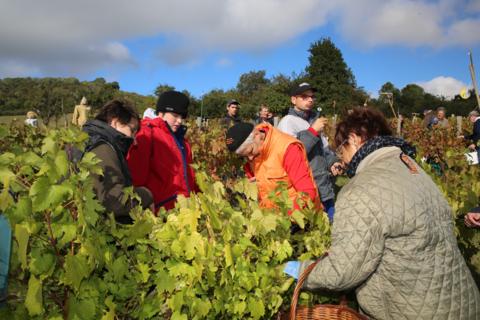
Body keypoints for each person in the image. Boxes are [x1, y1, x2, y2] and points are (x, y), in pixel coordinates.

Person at [283, 107, 480, 319]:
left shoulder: (360, 189)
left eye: (342, 149)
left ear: (355, 139)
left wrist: (294, 269)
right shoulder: (411, 167)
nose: (343, 159)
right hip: (462, 303)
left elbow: (341, 273)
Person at [277, 83, 342, 221]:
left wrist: (333, 163)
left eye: (312, 97)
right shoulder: (288, 122)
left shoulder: (314, 120)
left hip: (323, 184)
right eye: (304, 97)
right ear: (293, 100)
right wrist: (312, 131)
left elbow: (324, 149)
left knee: (331, 227)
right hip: (305, 188)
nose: (310, 100)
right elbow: (292, 156)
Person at [82, 100, 154, 224]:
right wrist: (146, 195)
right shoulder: (103, 149)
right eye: (131, 130)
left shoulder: (89, 140)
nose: (134, 140)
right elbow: (115, 201)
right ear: (114, 122)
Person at [226, 122, 321, 211]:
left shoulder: (288, 148)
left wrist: (285, 217)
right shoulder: (254, 152)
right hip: (272, 216)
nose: (250, 158)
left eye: (250, 151)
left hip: (300, 218)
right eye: (244, 156)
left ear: (257, 135)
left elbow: (307, 192)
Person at [127, 91, 198, 211]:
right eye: (175, 115)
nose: (180, 121)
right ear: (161, 113)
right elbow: (136, 178)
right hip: (160, 212)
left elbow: (190, 177)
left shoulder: (183, 142)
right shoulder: (147, 134)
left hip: (185, 210)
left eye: (182, 117)